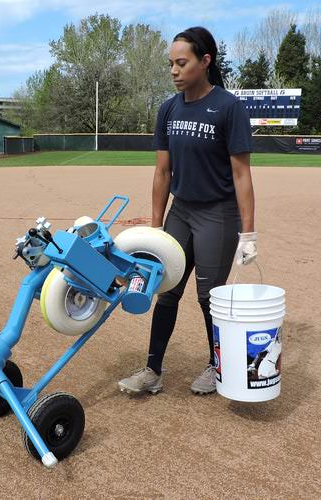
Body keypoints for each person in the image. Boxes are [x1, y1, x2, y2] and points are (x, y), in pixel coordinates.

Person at [118, 26, 256, 396]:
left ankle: (218, 365)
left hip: (218, 214)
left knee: (208, 297)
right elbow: (162, 172)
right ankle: (152, 371)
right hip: (181, 211)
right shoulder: (168, 109)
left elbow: (242, 175)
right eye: (171, 64)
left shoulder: (228, 108)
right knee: (166, 290)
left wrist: (248, 232)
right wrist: (155, 228)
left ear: (204, 61)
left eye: (182, 63)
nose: (174, 71)